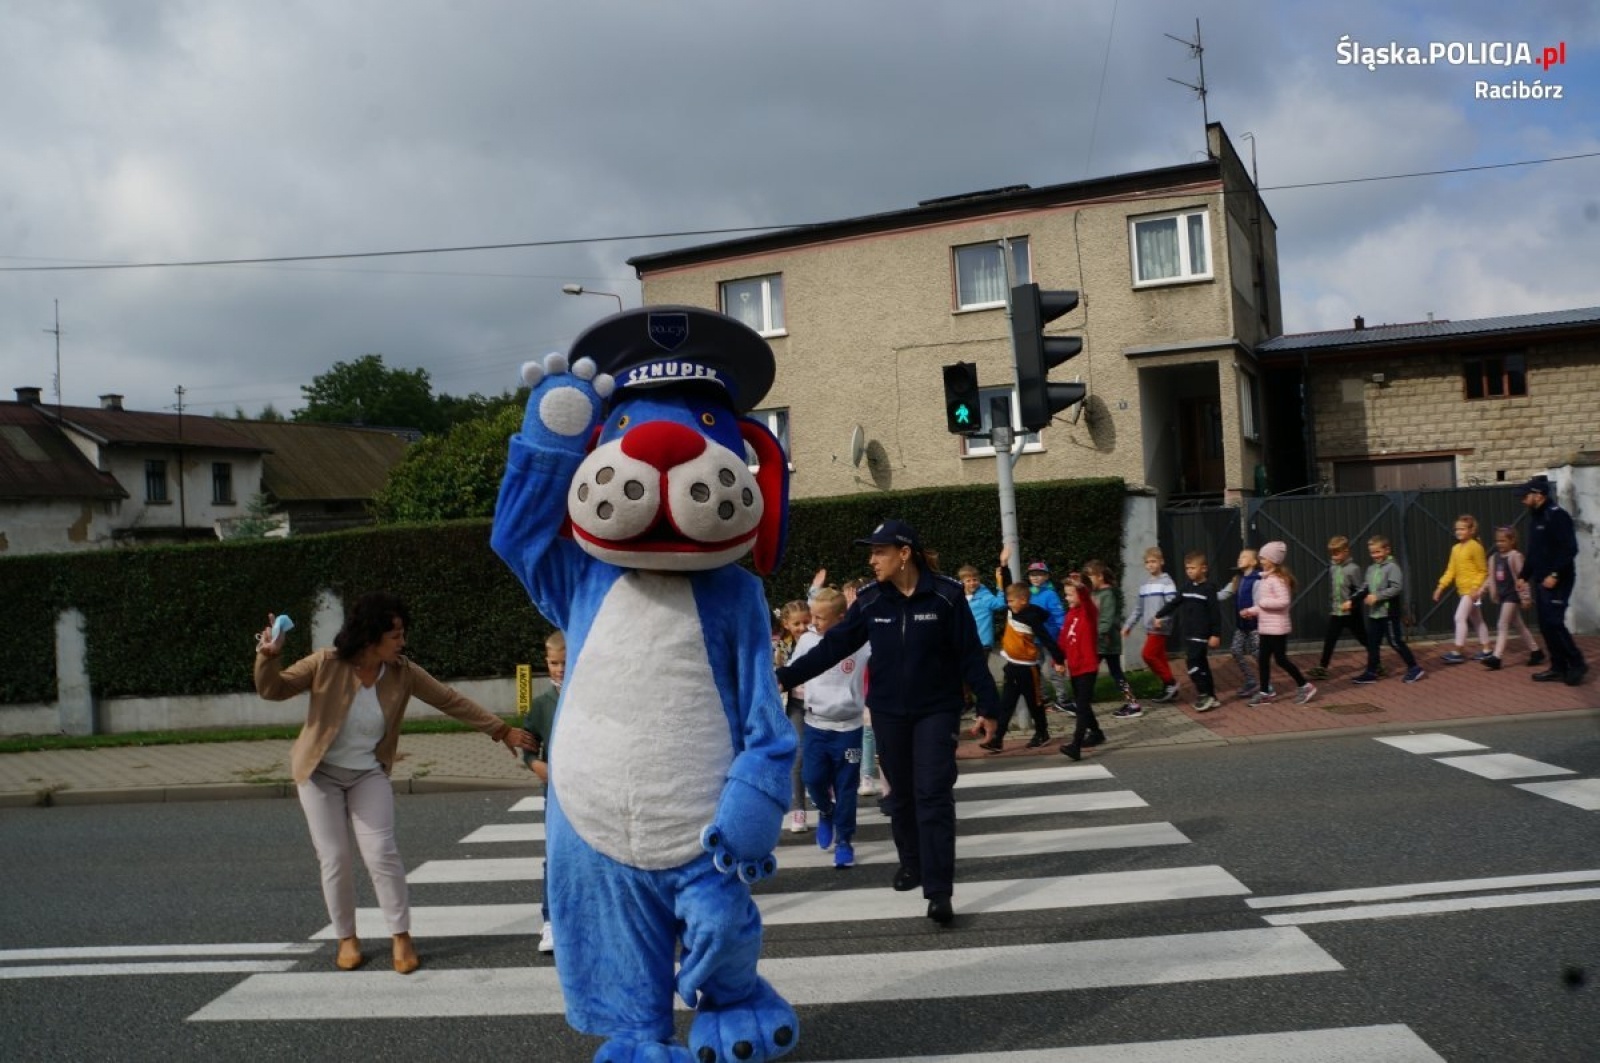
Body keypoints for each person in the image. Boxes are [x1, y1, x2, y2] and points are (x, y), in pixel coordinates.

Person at [254, 592, 534, 975]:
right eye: (395, 635)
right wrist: (269, 657)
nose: (402, 642)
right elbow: (273, 689)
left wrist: (501, 731)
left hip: (367, 772)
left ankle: (401, 936)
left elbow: (449, 700)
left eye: (402, 633)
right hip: (320, 774)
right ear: (371, 637)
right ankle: (346, 938)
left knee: (382, 852)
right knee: (335, 857)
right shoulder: (326, 663)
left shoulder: (403, 672)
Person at [777, 519, 997, 927]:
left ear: (904, 553)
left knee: (933, 793)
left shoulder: (946, 595)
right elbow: (834, 646)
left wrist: (989, 707)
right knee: (902, 795)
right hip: (889, 713)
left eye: (880, 551)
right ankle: (911, 861)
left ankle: (939, 891)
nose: (872, 560)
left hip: (936, 710)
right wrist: (786, 677)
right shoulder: (871, 600)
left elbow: (969, 654)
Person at [792, 588, 870, 869]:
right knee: (812, 778)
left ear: (840, 617)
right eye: (812, 616)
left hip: (849, 728)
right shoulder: (807, 641)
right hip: (816, 725)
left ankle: (844, 841)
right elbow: (794, 669)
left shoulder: (861, 642)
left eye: (820, 618)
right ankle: (826, 810)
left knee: (846, 787)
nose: (813, 623)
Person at [981, 582, 1067, 753]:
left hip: (1028, 669)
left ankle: (1042, 733)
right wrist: (1003, 570)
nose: (1008, 604)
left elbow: (1047, 639)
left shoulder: (1031, 617)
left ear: (1023, 600)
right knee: (1006, 704)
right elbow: (1008, 584)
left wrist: (1059, 660)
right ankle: (997, 739)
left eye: (1011, 601)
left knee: (1035, 703)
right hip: (1012, 667)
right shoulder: (1012, 610)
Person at [1518, 475, 1587, 686]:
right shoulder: (1536, 518)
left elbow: (1570, 549)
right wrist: (1523, 576)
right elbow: (1534, 552)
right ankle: (1558, 667)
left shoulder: (1556, 516)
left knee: (1554, 622)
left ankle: (1577, 663)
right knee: (1545, 625)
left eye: (1525, 495)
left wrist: (1555, 574)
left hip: (1559, 580)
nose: (1522, 499)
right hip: (1541, 580)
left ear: (1538, 495)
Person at [520, 629, 564, 956]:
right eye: (553, 663)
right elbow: (528, 743)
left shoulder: (591, 697)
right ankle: (550, 920)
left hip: (591, 790)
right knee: (556, 853)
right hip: (556, 791)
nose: (559, 669)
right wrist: (534, 763)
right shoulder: (541, 704)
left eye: (565, 662)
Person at [1241, 542, 1316, 705]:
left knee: (1281, 659)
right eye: (1260, 558)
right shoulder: (1266, 578)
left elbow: (1283, 602)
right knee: (1263, 659)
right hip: (1266, 627)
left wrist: (1262, 603)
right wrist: (1250, 611)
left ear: (1273, 560)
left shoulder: (1278, 580)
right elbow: (1263, 605)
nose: (1261, 561)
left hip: (1277, 628)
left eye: (1264, 558)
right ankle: (1264, 692)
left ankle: (1305, 686)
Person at [1154, 551, 1222, 712]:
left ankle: (1204, 693)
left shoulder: (1209, 589)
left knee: (1192, 664)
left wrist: (1216, 634)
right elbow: (1174, 603)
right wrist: (1159, 615)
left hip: (1202, 634)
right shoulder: (1186, 587)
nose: (1189, 571)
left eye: (1193, 568)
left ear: (1203, 568)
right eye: (1187, 568)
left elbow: (1215, 613)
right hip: (1189, 632)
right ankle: (1212, 696)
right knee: (1202, 665)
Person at [1352, 535, 1425, 684]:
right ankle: (1371, 672)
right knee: (1372, 643)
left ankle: (1414, 668)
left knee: (1395, 642)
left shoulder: (1392, 567)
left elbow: (1396, 588)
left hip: (1388, 613)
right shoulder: (1371, 568)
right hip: (1375, 614)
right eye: (1372, 552)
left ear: (1387, 550)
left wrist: (1377, 596)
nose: (1375, 555)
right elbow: (1365, 587)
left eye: (1378, 552)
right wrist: (1352, 600)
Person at [1057, 575, 1107, 761]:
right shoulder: (1070, 614)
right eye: (1066, 595)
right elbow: (1063, 639)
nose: (1067, 598)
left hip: (1088, 667)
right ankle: (1097, 733)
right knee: (1081, 703)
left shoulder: (1089, 612)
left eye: (1070, 595)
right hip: (1075, 667)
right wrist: (1058, 660)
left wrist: (1081, 588)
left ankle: (1076, 745)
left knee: (1082, 707)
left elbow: (1086, 599)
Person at [1084, 560, 1141, 719]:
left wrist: (1094, 634)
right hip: (1098, 642)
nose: (1088, 580)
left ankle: (1132, 704)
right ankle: (1132, 703)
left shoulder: (1107, 595)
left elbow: (1106, 620)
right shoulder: (1093, 593)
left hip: (1106, 642)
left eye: (1090, 576)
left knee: (1095, 672)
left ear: (1100, 577)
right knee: (1099, 672)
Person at [774, 599, 813, 833]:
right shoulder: (782, 647)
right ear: (786, 624)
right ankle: (799, 809)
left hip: (820, 706)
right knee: (797, 756)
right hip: (796, 705)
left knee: (819, 754)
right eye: (796, 623)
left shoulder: (820, 640)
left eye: (806, 622)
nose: (802, 627)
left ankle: (822, 788)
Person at [1432, 514, 1492, 664]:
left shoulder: (1475, 547)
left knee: (1459, 617)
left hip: (1472, 592)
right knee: (1477, 619)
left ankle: (1458, 651)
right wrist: (1440, 587)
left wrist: (1475, 588)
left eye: (1462, 529)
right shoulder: (1455, 548)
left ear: (1471, 531)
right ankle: (1487, 649)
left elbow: (1483, 571)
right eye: (1457, 529)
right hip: (1463, 591)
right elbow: (1451, 570)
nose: (1458, 532)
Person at [1123, 546, 1179, 703]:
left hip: (1161, 627)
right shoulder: (1145, 585)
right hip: (1150, 628)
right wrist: (1128, 625)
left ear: (1161, 562)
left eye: (1154, 561)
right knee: (1159, 657)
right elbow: (1138, 609)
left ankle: (1170, 682)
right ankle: (1169, 689)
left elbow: (1172, 605)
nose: (1150, 565)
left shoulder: (1167, 583)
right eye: (1147, 562)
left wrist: (1163, 619)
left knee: (1148, 655)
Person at [1481, 525, 1538, 671]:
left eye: (1503, 541)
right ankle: (1536, 652)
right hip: (1503, 595)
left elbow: (1522, 578)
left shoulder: (1515, 556)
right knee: (1519, 625)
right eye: (1497, 541)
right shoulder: (1494, 558)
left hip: (1512, 595)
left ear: (1512, 541)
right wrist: (1482, 590)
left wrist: (1525, 597)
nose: (1499, 544)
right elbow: (1491, 578)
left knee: (1502, 624)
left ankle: (1497, 657)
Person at [1309, 536, 1366, 680]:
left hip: (1352, 612)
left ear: (1346, 551)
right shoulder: (1333, 568)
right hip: (1337, 611)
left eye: (1336, 553)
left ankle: (1377, 663)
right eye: (1332, 553)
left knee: (1363, 638)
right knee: (1330, 639)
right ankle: (1322, 667)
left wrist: (1351, 602)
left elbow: (1360, 589)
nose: (1333, 556)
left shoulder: (1353, 569)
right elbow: (1335, 589)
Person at [1216, 547, 1261, 701]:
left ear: (1254, 562)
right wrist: (1205, 594)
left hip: (1255, 625)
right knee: (1235, 650)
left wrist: (1253, 612)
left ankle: (1266, 684)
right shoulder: (1237, 579)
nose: (1239, 559)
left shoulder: (1258, 579)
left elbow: (1260, 602)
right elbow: (1222, 595)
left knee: (1257, 653)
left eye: (1244, 556)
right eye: (1239, 556)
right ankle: (1251, 680)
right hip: (1241, 625)